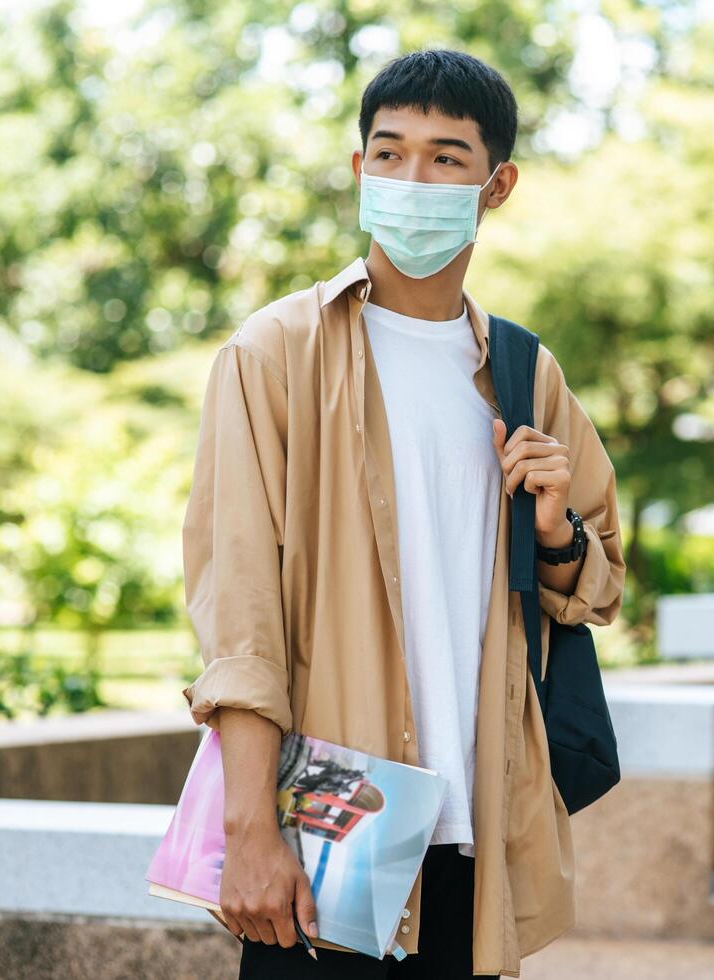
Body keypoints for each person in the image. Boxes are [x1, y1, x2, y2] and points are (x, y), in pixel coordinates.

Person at [179, 48, 626, 979]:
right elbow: (242, 614)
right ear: (358, 169)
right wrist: (247, 829)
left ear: (496, 185)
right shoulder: (276, 353)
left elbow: (598, 578)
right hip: (331, 824)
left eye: (445, 159)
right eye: (389, 153)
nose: (410, 179)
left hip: (479, 825)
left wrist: (555, 533)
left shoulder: (524, 372)